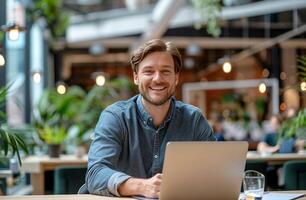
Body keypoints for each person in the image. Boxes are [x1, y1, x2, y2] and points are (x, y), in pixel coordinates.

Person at [85, 39, 215, 198]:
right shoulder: (115, 117)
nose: (157, 79)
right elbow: (95, 174)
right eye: (148, 71)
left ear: (176, 77)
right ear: (136, 77)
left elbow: (214, 172)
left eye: (166, 71)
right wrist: (141, 186)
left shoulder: (194, 119)